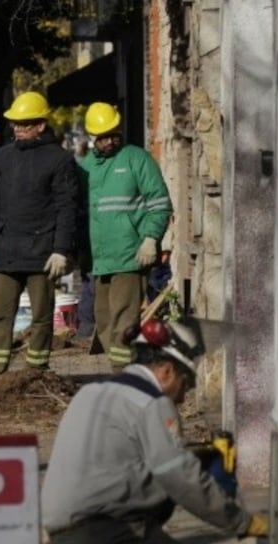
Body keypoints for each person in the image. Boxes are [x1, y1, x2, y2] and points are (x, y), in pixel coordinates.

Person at [40, 317, 269, 544]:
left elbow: (127, 460)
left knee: (157, 531)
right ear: (165, 370)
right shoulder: (151, 403)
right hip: (100, 529)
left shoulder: (94, 391)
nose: (183, 397)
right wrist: (241, 522)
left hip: (62, 527)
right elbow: (178, 477)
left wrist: (197, 457)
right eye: (185, 383)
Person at [0, 92, 80, 373]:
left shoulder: (59, 160)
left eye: (25, 123)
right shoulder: (3, 158)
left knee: (42, 316)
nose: (18, 128)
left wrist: (61, 249)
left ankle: (36, 371)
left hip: (42, 253)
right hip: (6, 251)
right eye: (15, 124)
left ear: (41, 125)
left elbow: (66, 208)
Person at [79, 102, 173, 370]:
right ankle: (130, 366)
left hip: (130, 254)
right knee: (104, 318)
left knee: (123, 319)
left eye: (112, 134)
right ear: (93, 138)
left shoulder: (136, 159)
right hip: (100, 259)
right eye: (102, 136)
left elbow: (159, 203)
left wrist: (150, 238)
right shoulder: (86, 167)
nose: (109, 141)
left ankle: (124, 375)